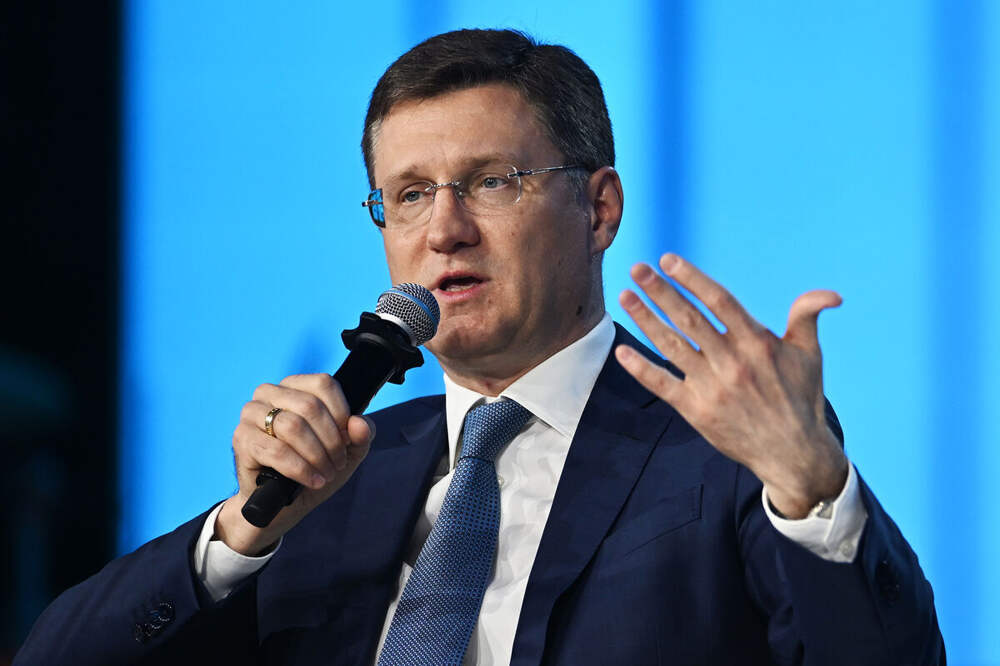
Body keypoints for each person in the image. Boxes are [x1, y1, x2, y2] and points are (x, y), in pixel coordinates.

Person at [17, 28, 943, 665]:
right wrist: (240, 536)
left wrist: (815, 493)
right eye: (410, 195)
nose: (444, 230)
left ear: (599, 209)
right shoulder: (336, 475)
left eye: (492, 182)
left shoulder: (728, 447)